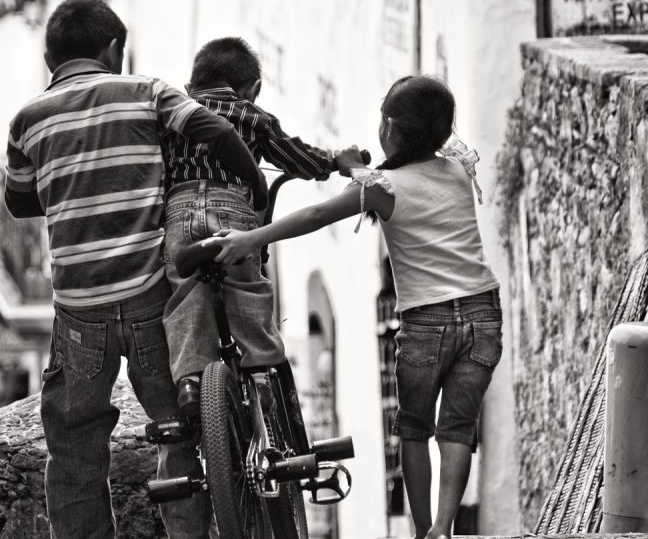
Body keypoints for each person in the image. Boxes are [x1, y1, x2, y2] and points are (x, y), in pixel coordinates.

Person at [4, 0, 267, 539]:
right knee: (177, 434)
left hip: (79, 310)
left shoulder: (27, 120)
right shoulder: (145, 91)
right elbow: (212, 130)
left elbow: (20, 202)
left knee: (74, 449)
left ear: (50, 59)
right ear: (114, 47)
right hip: (151, 296)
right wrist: (255, 185)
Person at [203, 75, 502, 539]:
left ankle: (424, 531)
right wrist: (357, 171)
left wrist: (252, 238)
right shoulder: (460, 169)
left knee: (415, 429)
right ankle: (445, 528)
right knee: (458, 429)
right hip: (483, 314)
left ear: (390, 128)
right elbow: (411, 174)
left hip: (428, 322)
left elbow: (319, 214)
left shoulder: (384, 188)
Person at [160, 36, 364, 415]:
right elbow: (297, 159)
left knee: (185, 294)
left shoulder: (176, 112)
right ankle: (259, 371)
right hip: (231, 208)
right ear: (252, 89)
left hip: (180, 211)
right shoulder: (254, 118)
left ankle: (190, 380)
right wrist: (335, 160)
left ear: (191, 86)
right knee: (247, 288)